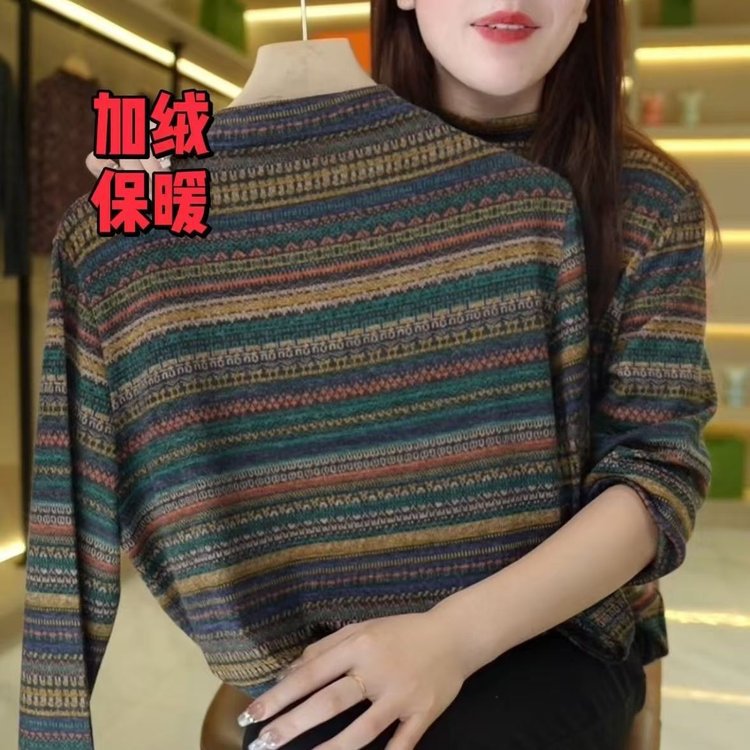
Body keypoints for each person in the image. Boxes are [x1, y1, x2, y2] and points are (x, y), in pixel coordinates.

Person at [84, 3, 719, 749]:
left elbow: (654, 477)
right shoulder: (298, 159)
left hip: (554, 625)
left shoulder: (646, 202)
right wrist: (160, 236)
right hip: (328, 608)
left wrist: (451, 637)